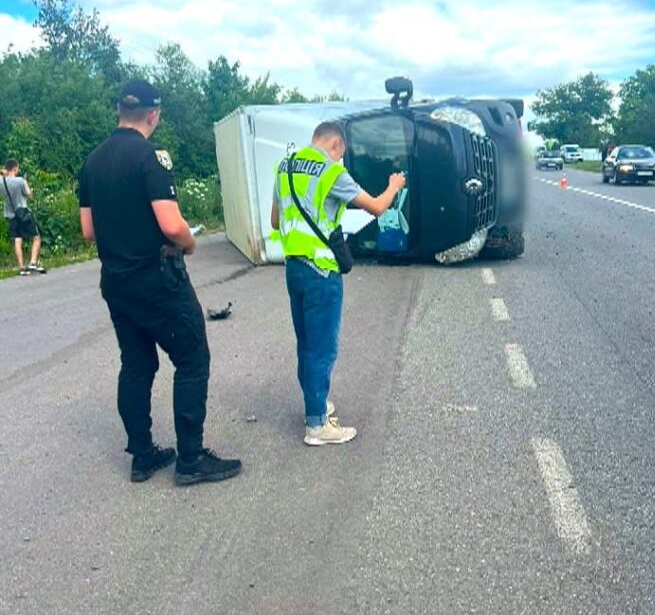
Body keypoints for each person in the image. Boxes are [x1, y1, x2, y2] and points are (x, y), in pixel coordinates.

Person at [79, 79, 241, 485]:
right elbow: (171, 224)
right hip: (157, 280)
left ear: (120, 110)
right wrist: (189, 242)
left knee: (136, 365)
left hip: (116, 282)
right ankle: (190, 459)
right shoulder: (150, 159)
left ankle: (143, 455)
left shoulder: (92, 162)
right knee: (192, 358)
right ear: (154, 114)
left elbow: (87, 231)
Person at [271, 121, 406, 446]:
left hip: (294, 268)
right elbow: (376, 206)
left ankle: (315, 404)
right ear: (335, 145)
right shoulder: (330, 172)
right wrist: (394, 185)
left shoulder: (285, 167)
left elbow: (275, 221)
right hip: (321, 270)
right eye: (339, 155)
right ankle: (317, 426)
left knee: (306, 343)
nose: (338, 161)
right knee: (322, 348)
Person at [2, 159, 46, 276]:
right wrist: (26, 182)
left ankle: (21, 267)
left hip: (10, 214)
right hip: (23, 212)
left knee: (17, 239)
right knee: (36, 238)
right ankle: (32, 262)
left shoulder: (2, 182)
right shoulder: (20, 181)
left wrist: (3, 173)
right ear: (15, 169)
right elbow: (29, 195)